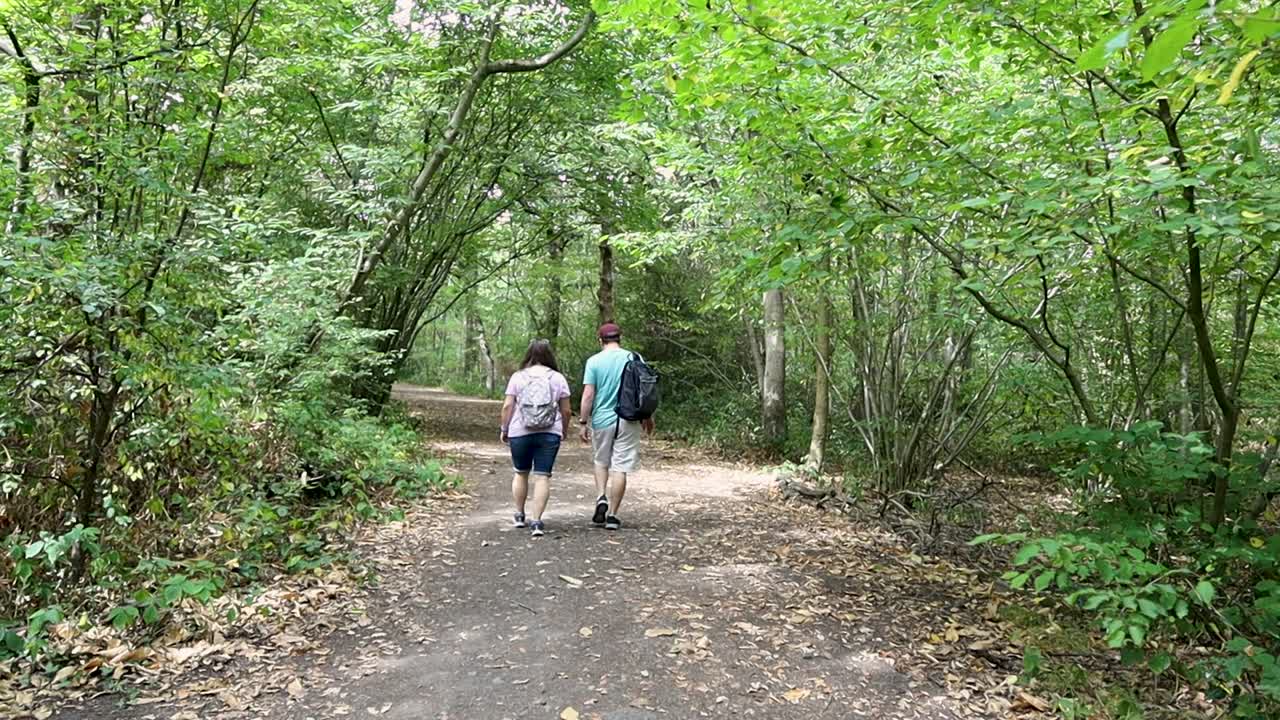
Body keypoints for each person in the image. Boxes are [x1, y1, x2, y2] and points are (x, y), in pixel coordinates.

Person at [578, 322, 654, 530]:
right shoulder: (634, 358)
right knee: (620, 467)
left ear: (600, 340)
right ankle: (612, 515)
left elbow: (588, 394)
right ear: (620, 338)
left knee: (601, 461)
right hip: (629, 419)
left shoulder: (594, 361)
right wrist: (648, 416)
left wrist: (583, 422)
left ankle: (601, 496)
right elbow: (644, 390)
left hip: (602, 419)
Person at [500, 339, 572, 537]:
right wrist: (563, 430)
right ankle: (537, 522)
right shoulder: (558, 378)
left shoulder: (517, 377)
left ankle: (520, 514)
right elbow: (566, 411)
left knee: (520, 473)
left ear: (529, 355)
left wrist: (504, 429)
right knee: (542, 476)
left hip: (519, 432)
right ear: (549, 356)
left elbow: (507, 406)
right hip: (550, 433)